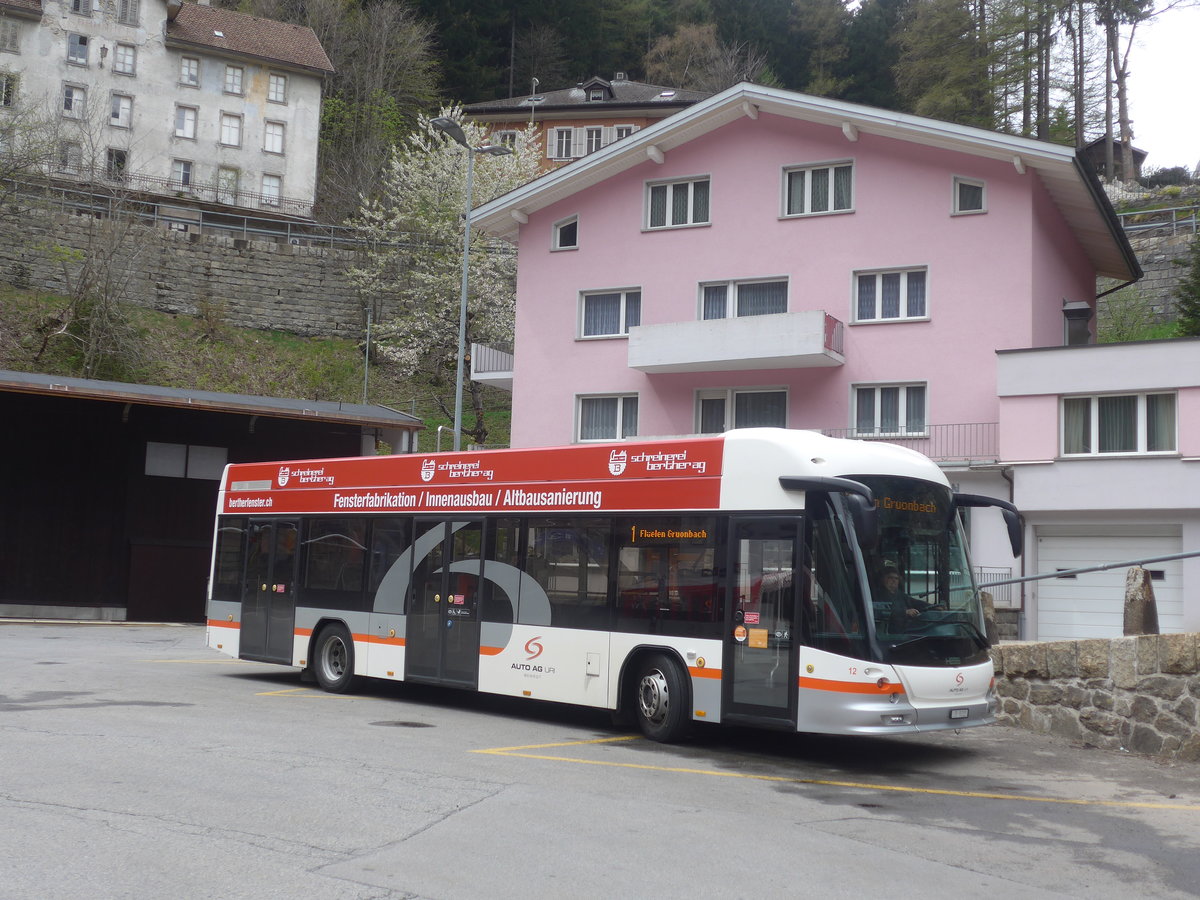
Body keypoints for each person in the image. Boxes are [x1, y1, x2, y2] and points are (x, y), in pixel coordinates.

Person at [875, 564, 933, 630]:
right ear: (882, 579)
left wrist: (934, 606)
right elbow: (880, 612)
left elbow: (915, 602)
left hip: (905, 631)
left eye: (896, 578)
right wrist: (904, 612)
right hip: (888, 632)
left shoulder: (900, 594)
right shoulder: (877, 595)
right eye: (890, 578)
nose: (894, 581)